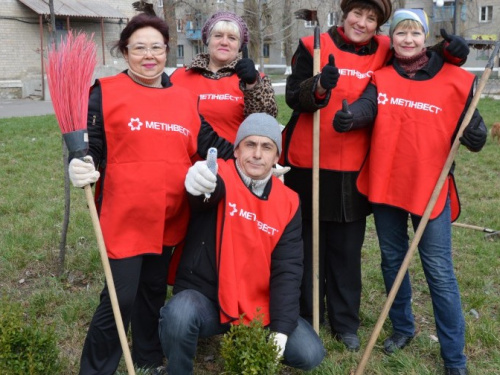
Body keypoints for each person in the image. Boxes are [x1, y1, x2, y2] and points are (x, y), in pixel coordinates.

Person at [281, 0, 470, 351]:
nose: (363, 23)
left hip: (356, 164)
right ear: (345, 13)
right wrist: (320, 87)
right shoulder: (313, 45)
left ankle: (345, 322)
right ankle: (308, 317)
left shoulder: (385, 47)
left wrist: (452, 51)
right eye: (358, 14)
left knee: (347, 249)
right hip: (309, 161)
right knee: (308, 245)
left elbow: (418, 54)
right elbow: (294, 95)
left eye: (372, 18)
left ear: (379, 25)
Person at [67, 13, 233, 375]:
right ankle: (95, 369)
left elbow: (211, 146)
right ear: (124, 52)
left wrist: (261, 152)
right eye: (139, 47)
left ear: (167, 51)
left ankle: (145, 357)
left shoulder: (185, 100)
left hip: (169, 216)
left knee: (153, 290)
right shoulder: (105, 92)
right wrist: (80, 164)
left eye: (156, 47)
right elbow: (90, 146)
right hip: (122, 216)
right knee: (119, 297)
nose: (149, 55)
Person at [333, 9, 487, 375]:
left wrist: (475, 135)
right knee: (393, 261)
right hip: (386, 184)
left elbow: (475, 132)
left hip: (430, 190)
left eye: (415, 33)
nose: (407, 39)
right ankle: (403, 327)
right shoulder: (382, 77)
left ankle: (454, 356)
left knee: (439, 271)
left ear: (425, 38)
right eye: (400, 32)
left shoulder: (455, 80)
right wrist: (351, 117)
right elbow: (370, 107)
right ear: (393, 37)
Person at [158, 113, 325, 375]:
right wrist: (198, 183)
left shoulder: (289, 202)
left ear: (276, 156)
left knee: (310, 353)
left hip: (259, 306)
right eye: (249, 144)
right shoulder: (220, 177)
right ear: (236, 150)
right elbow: (205, 197)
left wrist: (280, 331)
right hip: (209, 298)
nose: (257, 154)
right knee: (179, 316)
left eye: (267, 146)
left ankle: (245, 334)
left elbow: (288, 269)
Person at [170, 11, 277, 142]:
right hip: (186, 160)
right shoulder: (180, 76)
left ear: (240, 46)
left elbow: (266, 123)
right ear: (207, 40)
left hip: (232, 159)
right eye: (218, 36)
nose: (224, 42)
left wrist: (252, 86)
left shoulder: (255, 80)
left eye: (232, 38)